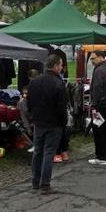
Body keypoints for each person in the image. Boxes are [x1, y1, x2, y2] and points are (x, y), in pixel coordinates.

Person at [27, 54, 68, 194]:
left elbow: (29, 103)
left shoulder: (34, 82)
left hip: (39, 121)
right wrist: (64, 123)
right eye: (61, 65)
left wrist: (33, 117)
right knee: (48, 153)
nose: (62, 67)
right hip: (54, 123)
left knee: (37, 151)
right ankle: (45, 184)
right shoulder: (58, 83)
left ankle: (35, 181)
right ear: (56, 65)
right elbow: (62, 107)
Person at [88, 50, 106, 166]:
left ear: (101, 57)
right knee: (105, 131)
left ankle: (100, 156)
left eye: (93, 58)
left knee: (98, 131)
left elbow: (97, 89)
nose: (91, 61)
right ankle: (102, 155)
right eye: (91, 59)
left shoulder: (99, 70)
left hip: (101, 106)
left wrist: (94, 106)